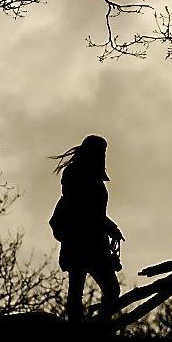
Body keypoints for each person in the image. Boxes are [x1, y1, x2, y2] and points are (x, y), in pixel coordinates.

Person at [49, 135, 123, 323]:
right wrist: (108, 226)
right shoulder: (76, 174)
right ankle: (88, 329)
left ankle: (94, 326)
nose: (103, 156)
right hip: (80, 240)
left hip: (91, 241)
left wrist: (110, 227)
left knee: (88, 288)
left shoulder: (88, 176)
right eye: (101, 151)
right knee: (83, 289)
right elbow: (82, 210)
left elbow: (93, 212)